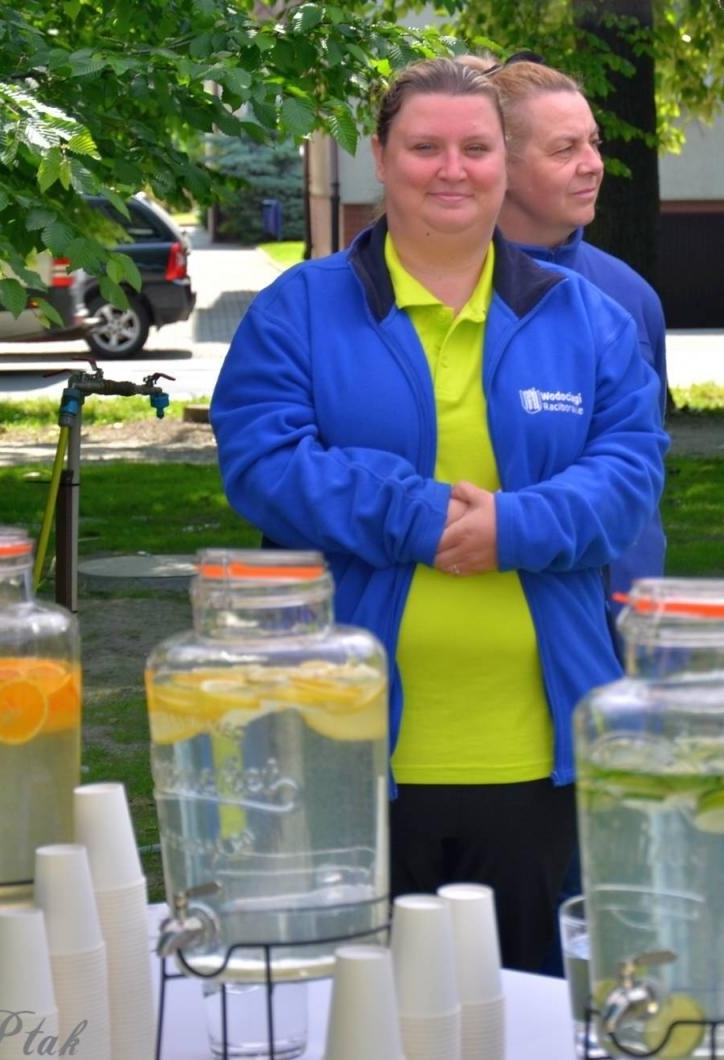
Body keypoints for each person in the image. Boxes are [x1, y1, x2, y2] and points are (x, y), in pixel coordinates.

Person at [209, 57, 668, 973]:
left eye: (476, 147)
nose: (451, 170)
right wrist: (420, 515)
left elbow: (629, 475)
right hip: (340, 744)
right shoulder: (299, 311)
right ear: (380, 156)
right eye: (424, 147)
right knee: (353, 1014)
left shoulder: (589, 320)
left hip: (536, 750)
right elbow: (263, 462)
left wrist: (516, 528)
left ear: (506, 161)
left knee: (527, 1015)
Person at [481, 51, 669, 622]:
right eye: (565, 149)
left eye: (594, 143)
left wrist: (636, 601)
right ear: (499, 164)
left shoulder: (629, 295)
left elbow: (641, 473)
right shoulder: (449, 289)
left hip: (617, 613)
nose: (592, 164)